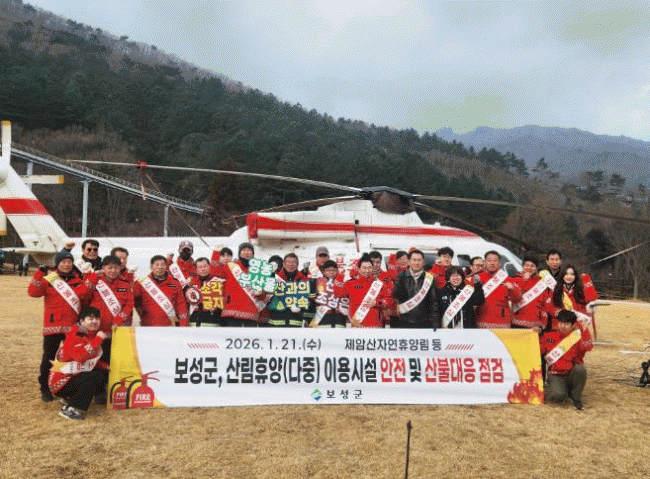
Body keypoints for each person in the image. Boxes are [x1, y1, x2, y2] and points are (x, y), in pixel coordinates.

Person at [28, 251, 91, 402]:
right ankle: (44, 387)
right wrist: (39, 273)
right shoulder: (49, 279)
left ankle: (67, 387)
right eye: (63, 262)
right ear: (57, 264)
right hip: (53, 326)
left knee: (72, 358)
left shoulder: (78, 281)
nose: (66, 264)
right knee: (49, 358)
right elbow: (33, 292)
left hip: (72, 326)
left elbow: (85, 298)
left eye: (69, 262)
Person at [48, 307, 110, 420]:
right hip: (60, 382)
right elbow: (80, 357)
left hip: (72, 376)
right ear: (81, 321)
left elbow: (90, 360)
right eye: (90, 319)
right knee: (95, 377)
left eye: (97, 319)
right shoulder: (75, 335)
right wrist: (98, 339)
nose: (94, 321)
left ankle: (70, 398)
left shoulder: (89, 334)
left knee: (100, 373)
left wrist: (105, 366)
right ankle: (70, 409)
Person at [540, 310, 593, 410]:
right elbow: (539, 351)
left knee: (580, 369)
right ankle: (564, 391)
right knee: (558, 397)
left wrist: (584, 330)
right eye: (560, 323)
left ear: (573, 325)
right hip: (556, 375)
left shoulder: (577, 337)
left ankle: (576, 397)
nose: (562, 326)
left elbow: (588, 347)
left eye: (566, 324)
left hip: (572, 373)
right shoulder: (549, 336)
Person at [87, 255, 134, 364]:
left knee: (114, 359)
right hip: (96, 328)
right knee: (95, 359)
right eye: (109, 268)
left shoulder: (125, 284)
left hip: (116, 328)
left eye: (116, 268)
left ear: (120, 268)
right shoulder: (95, 281)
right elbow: (84, 297)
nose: (113, 271)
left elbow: (129, 304)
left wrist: (120, 318)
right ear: (103, 268)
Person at [213, 242, 270, 327]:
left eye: (249, 250)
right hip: (232, 312)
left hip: (251, 313)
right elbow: (215, 273)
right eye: (244, 250)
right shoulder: (230, 267)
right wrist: (216, 253)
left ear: (253, 253)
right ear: (239, 253)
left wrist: (261, 293)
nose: (246, 252)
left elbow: (265, 295)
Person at [134, 255, 189, 327]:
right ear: (151, 267)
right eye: (157, 265)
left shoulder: (175, 283)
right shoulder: (142, 283)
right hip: (148, 326)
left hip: (169, 326)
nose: (160, 267)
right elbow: (132, 299)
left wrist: (183, 324)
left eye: (163, 264)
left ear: (166, 266)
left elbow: (180, 304)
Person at [392, 249, 440, 328]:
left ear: (423, 262)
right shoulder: (401, 277)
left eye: (419, 260)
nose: (417, 263)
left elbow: (434, 302)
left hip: (424, 322)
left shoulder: (429, 278)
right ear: (409, 262)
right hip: (404, 322)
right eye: (414, 260)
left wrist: (435, 322)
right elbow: (396, 297)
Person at [343, 254, 392, 328]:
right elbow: (339, 293)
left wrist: (377, 303)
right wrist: (341, 275)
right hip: (357, 325)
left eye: (369, 268)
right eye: (364, 268)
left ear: (373, 268)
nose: (367, 270)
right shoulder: (350, 284)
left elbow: (389, 301)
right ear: (359, 268)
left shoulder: (379, 284)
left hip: (375, 325)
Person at [476, 250, 522, 329]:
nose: (492, 263)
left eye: (495, 260)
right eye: (489, 260)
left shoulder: (508, 280)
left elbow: (517, 300)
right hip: (481, 321)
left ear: (500, 263)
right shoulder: (477, 278)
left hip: (502, 322)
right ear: (484, 263)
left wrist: (512, 289)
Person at [547, 264, 598, 332]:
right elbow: (550, 307)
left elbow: (591, 298)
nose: (569, 277)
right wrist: (563, 314)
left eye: (572, 274)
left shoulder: (580, 290)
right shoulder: (555, 290)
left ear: (575, 276)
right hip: (560, 325)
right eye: (566, 274)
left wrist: (586, 278)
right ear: (562, 276)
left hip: (577, 325)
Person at [268, 253, 310, 327]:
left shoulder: (303, 280)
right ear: (284, 264)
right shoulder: (275, 278)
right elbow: (267, 297)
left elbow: (308, 300)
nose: (291, 264)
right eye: (288, 262)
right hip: (276, 321)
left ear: (297, 264)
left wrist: (301, 307)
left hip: (295, 322)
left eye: (293, 262)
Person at [512, 255, 550, 331]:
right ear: (522, 266)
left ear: (536, 268)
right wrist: (523, 280)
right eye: (527, 265)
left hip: (534, 325)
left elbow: (545, 306)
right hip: (515, 323)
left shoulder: (541, 283)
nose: (529, 268)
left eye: (532, 266)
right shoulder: (515, 280)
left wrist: (542, 325)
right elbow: (514, 298)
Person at [188, 257, 225, 327]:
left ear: (209, 266)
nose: (203, 269)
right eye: (200, 267)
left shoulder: (218, 281)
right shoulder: (191, 282)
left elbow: (225, 299)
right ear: (196, 269)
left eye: (205, 266)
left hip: (213, 319)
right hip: (194, 319)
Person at [310, 260, 348, 328]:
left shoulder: (343, 282)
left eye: (333, 270)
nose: (331, 272)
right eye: (328, 270)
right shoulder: (318, 282)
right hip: (322, 318)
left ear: (337, 271)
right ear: (323, 271)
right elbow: (312, 300)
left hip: (339, 319)